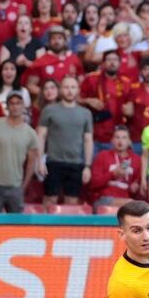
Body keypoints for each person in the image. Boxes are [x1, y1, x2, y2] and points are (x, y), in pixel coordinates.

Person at [36, 75, 93, 206]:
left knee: (72, 201)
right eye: (66, 87)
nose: (69, 90)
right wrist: (40, 161)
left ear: (78, 90)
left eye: (73, 87)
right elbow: (41, 136)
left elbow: (88, 140)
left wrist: (87, 166)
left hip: (75, 163)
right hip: (53, 161)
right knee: (50, 199)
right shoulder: (49, 110)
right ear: (61, 89)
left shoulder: (85, 113)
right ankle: (44, 227)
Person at [89, 125, 141, 208]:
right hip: (104, 198)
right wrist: (112, 174)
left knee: (136, 207)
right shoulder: (102, 156)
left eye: (124, 138)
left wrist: (135, 187)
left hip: (125, 199)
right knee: (132, 205)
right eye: (117, 137)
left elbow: (137, 188)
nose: (120, 141)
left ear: (129, 141)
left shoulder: (136, 160)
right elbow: (93, 183)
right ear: (112, 140)